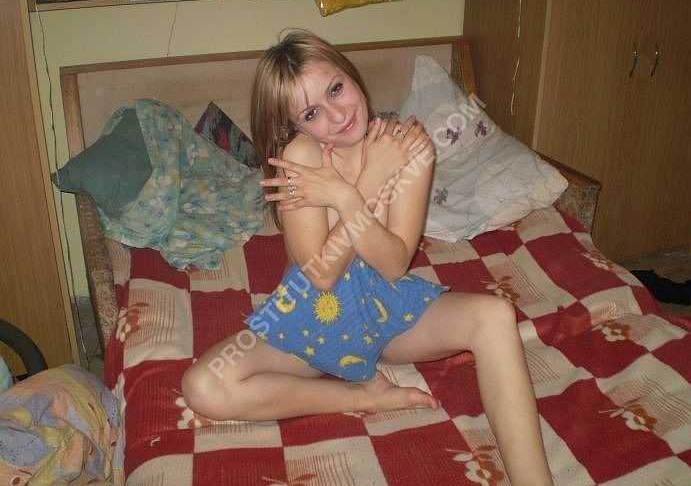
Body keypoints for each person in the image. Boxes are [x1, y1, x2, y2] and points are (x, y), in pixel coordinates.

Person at [182, 29, 553, 485]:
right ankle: (362, 396)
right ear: (296, 126)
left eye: (336, 89)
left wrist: (347, 195)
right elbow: (320, 273)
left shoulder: (410, 147)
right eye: (312, 113)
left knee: (495, 315)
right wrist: (368, 184)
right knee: (203, 386)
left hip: (386, 312)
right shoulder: (301, 156)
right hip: (310, 320)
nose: (337, 116)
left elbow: (394, 263)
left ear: (350, 74)